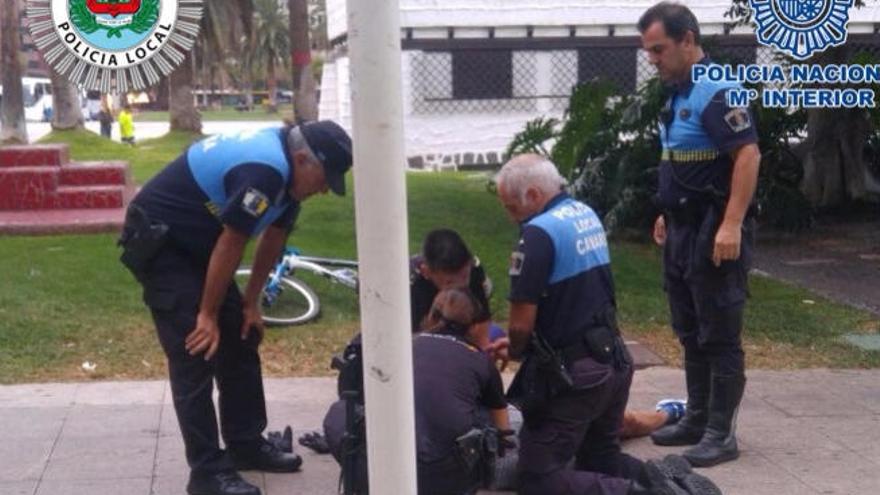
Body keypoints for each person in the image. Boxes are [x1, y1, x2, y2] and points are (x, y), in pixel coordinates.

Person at [118, 120, 353, 495]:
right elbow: (233, 241)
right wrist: (207, 315)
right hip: (164, 244)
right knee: (195, 349)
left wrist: (250, 303)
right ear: (302, 158)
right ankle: (207, 473)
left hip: (201, 243)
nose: (325, 189)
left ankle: (245, 444)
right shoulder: (265, 170)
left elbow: (273, 236)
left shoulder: (290, 181)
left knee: (242, 335)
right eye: (326, 178)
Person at [495, 154, 716, 495]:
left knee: (537, 477)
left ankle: (646, 493)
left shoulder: (538, 234)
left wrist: (515, 352)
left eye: (511, 207)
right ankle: (671, 480)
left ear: (535, 194)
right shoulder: (583, 214)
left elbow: (522, 325)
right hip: (611, 361)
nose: (510, 217)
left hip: (575, 375)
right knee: (599, 457)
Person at [638, 2, 761, 467]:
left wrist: (731, 223)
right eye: (648, 51)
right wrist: (667, 212)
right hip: (683, 229)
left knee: (719, 333)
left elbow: (747, 156)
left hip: (714, 230)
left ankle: (719, 433)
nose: (653, 59)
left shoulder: (717, 91)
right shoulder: (678, 90)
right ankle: (696, 417)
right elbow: (682, 159)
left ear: (688, 39)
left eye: (659, 49)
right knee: (689, 329)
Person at [324, 287, 514, 495]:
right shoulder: (480, 361)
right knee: (479, 417)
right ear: (475, 327)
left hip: (379, 470)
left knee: (340, 412)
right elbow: (503, 431)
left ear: (431, 316)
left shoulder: (401, 345)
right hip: (444, 477)